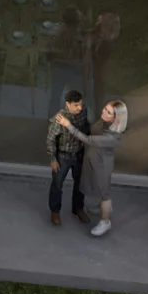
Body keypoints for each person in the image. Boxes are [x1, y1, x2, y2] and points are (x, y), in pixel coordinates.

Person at [59, 98, 129, 237]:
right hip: (93, 160)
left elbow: (88, 140)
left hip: (102, 165)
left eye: (108, 112)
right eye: (105, 108)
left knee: (104, 193)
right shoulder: (103, 122)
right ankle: (103, 208)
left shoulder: (113, 137)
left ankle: (105, 221)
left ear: (115, 118)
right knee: (96, 187)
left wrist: (68, 125)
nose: (103, 112)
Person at [46, 88, 91, 226]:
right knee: (57, 184)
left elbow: (86, 127)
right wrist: (53, 159)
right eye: (76, 105)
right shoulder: (59, 118)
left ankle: (78, 208)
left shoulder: (83, 111)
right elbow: (51, 139)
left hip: (79, 154)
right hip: (63, 156)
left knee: (80, 183)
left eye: (81, 104)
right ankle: (55, 210)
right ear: (68, 104)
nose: (79, 107)